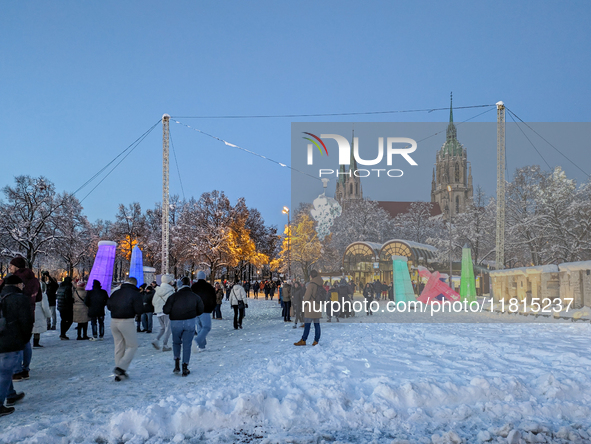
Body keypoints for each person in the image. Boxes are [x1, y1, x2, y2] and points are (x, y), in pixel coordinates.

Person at [0, 275, 33, 417]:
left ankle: (11, 394)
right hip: (11, 340)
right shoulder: (21, 299)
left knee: (3, 370)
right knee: (5, 373)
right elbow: (27, 322)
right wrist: (24, 339)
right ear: (18, 285)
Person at [4, 257, 41, 382]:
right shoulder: (35, 280)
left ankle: (17, 371)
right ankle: (25, 369)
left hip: (14, 312)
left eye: (11, 265)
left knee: (16, 342)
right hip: (30, 311)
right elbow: (39, 297)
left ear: (17, 266)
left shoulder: (15, 279)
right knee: (26, 341)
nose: (10, 267)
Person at [163, 277, 204, 376]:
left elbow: (166, 310)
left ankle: (176, 363)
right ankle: (185, 366)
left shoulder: (173, 296)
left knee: (176, 343)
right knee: (187, 345)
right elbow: (201, 310)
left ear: (179, 285)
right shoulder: (195, 296)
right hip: (190, 322)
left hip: (176, 322)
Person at [107, 277, 144, 381]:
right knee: (132, 346)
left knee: (119, 346)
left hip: (114, 321)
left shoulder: (116, 292)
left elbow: (109, 306)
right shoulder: (135, 294)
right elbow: (139, 309)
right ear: (134, 284)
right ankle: (121, 368)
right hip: (127, 321)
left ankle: (119, 374)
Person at [294, 270, 323, 346]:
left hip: (310, 306)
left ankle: (303, 340)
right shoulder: (320, 283)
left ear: (311, 276)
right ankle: (316, 341)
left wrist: (304, 302)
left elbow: (307, 296)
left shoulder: (311, 284)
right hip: (317, 306)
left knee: (307, 324)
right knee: (317, 324)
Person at [191, 271, 215, 352]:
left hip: (196, 310)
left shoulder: (193, 287)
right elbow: (213, 298)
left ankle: (202, 346)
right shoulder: (209, 287)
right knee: (206, 327)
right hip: (205, 309)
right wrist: (211, 308)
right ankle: (197, 341)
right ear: (205, 277)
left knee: (200, 327)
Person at [152, 274, 174, 352]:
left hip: (158, 312)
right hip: (166, 312)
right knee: (168, 328)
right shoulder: (170, 291)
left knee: (163, 327)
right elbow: (172, 302)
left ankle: (156, 339)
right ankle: (165, 344)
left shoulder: (158, 290)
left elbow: (153, 301)